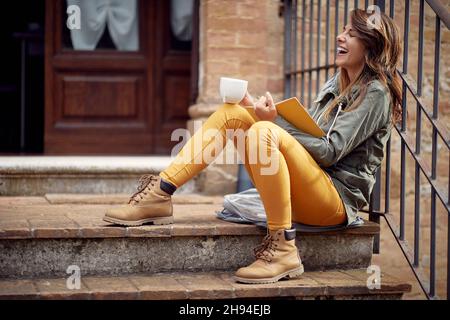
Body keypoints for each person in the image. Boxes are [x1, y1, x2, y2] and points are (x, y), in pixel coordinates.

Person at [104, 9, 402, 284]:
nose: (340, 36)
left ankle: (283, 248)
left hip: (335, 201)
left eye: (351, 34)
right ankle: (160, 192)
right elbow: (306, 137)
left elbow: (329, 151)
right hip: (311, 184)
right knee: (232, 112)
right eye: (342, 30)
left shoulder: (376, 93)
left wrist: (273, 122)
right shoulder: (336, 84)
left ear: (371, 46)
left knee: (263, 131)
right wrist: (253, 107)